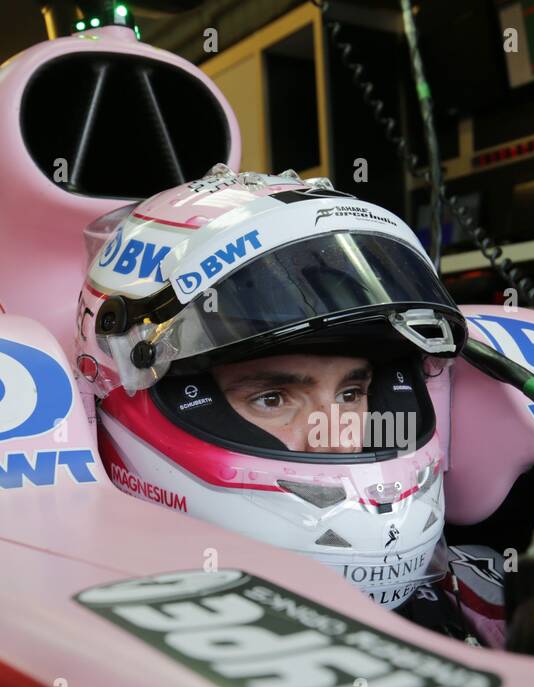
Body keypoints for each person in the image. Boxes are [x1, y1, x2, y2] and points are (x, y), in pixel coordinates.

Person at [73, 166, 506, 647]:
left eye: (352, 393)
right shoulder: (79, 640)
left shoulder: (484, 602)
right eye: (273, 398)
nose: (339, 438)